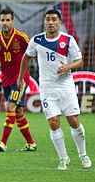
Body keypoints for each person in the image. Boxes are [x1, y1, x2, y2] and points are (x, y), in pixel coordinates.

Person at [18, 10, 90, 170]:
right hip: (47, 88)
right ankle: (63, 158)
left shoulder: (67, 40)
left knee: (73, 120)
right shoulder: (37, 40)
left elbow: (80, 61)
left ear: (59, 23)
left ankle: (83, 153)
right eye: (48, 19)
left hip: (65, 87)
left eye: (54, 20)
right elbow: (26, 57)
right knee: (53, 122)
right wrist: (21, 77)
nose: (50, 22)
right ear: (45, 22)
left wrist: (68, 66)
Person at [0, 8, 37, 152]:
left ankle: (3, 143)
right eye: (2, 20)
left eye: (8, 20)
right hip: (6, 80)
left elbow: (33, 54)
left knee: (10, 106)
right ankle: (31, 144)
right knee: (18, 111)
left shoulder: (21, 37)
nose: (5, 23)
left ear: (13, 22)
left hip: (20, 80)